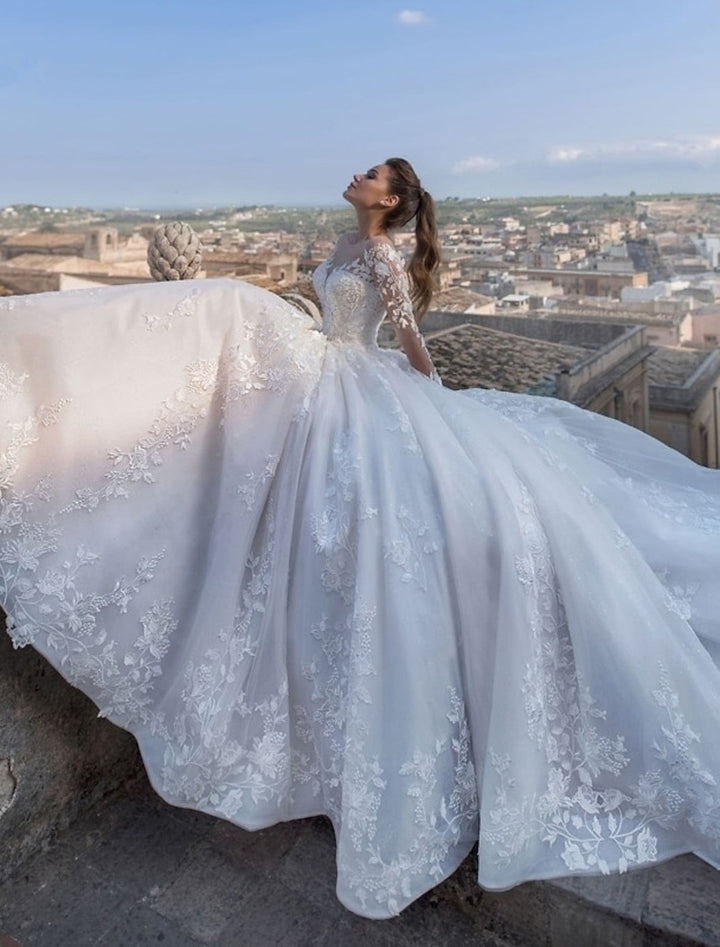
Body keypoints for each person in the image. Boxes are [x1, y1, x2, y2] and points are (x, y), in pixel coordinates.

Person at [2, 157, 720, 921]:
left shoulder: (379, 254)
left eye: (371, 172)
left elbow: (406, 334)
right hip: (329, 378)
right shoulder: (344, 246)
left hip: (356, 384)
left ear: (390, 200)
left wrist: (434, 403)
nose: (356, 173)